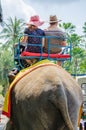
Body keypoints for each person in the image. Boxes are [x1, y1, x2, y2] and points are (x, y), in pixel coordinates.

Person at [8, 15, 45, 83]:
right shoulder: (42, 32)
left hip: (29, 51)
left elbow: (24, 41)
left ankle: (17, 69)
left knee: (18, 55)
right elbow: (42, 45)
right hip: (39, 52)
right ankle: (33, 63)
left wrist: (17, 44)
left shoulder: (27, 30)